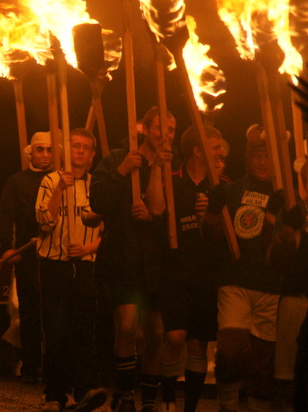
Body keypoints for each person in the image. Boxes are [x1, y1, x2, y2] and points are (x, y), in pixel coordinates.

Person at [90, 107, 176, 412]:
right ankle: (125, 395)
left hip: (154, 262)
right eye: (159, 128)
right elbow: (97, 201)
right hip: (122, 256)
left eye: (171, 130)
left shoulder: (168, 168)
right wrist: (123, 170)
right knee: (126, 327)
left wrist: (155, 175)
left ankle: (149, 400)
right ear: (145, 129)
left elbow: (159, 212)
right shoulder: (116, 158)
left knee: (154, 333)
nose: (164, 135)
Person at [147, 125, 225, 412]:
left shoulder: (219, 185)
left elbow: (223, 234)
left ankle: (189, 408)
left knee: (197, 345)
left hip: (205, 273)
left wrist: (212, 214)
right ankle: (167, 401)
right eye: (215, 147)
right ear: (197, 150)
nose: (220, 153)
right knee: (174, 337)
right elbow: (155, 208)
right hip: (175, 272)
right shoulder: (172, 178)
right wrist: (156, 168)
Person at [206, 124, 282, 412]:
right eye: (256, 156)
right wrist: (213, 212)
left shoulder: (285, 194)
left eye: (267, 156)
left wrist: (280, 219)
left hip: (271, 286)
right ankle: (226, 406)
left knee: (264, 362)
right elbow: (210, 238)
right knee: (230, 351)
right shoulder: (233, 189)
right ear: (248, 157)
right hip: (235, 282)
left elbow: (285, 251)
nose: (262, 162)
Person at [36, 128, 108, 412]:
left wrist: (88, 249)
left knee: (83, 331)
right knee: (55, 332)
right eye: (75, 146)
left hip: (86, 266)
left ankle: (84, 393)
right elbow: (44, 221)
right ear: (67, 150)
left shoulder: (98, 186)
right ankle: (54, 395)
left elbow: (109, 230)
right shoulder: (50, 180)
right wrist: (59, 191)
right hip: (54, 264)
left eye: (85, 148)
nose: (80, 151)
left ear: (91, 156)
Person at [0, 131, 54, 384]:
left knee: (55, 312)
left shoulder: (64, 180)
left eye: (50, 150)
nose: (45, 155)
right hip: (28, 255)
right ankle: (31, 365)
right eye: (40, 149)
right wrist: (6, 247)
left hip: (59, 256)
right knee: (29, 311)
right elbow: (4, 214)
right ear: (31, 152)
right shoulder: (17, 181)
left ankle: (56, 366)